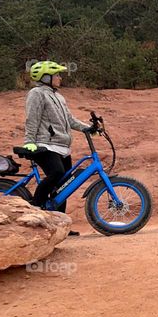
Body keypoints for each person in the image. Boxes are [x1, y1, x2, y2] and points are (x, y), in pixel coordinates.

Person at [23, 61, 97, 236]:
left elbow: (70, 120)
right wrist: (29, 141)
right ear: (45, 77)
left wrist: (88, 128)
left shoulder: (58, 96)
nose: (59, 78)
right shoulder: (36, 94)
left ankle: (60, 225)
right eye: (56, 75)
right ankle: (36, 207)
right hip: (45, 145)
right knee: (56, 173)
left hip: (62, 146)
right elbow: (31, 118)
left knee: (62, 186)